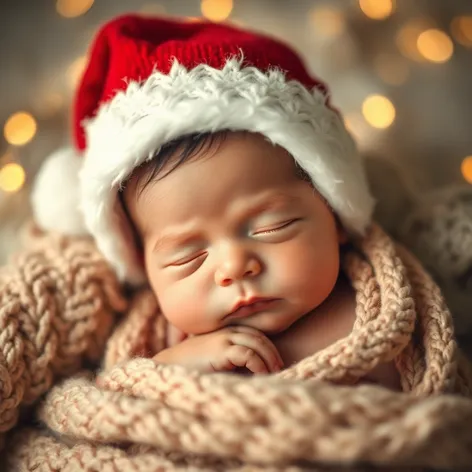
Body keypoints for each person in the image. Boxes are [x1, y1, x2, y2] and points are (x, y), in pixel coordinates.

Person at [31, 14, 399, 388]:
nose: (234, 266)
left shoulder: (385, 309)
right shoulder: (163, 344)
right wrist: (170, 370)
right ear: (144, 268)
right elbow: (117, 399)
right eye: (186, 257)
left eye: (272, 226)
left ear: (334, 213)